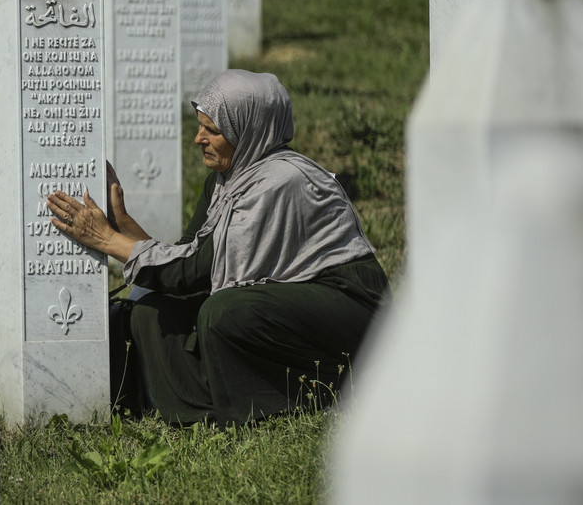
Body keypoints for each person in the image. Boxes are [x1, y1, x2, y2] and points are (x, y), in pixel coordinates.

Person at [46, 70, 390, 426]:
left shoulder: (281, 182)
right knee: (152, 309)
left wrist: (106, 239)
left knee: (224, 312)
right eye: (200, 127)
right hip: (288, 298)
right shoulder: (227, 180)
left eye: (213, 130)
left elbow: (195, 271)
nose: (198, 139)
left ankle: (313, 394)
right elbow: (187, 256)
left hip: (346, 307)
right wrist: (121, 222)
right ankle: (196, 410)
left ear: (248, 129)